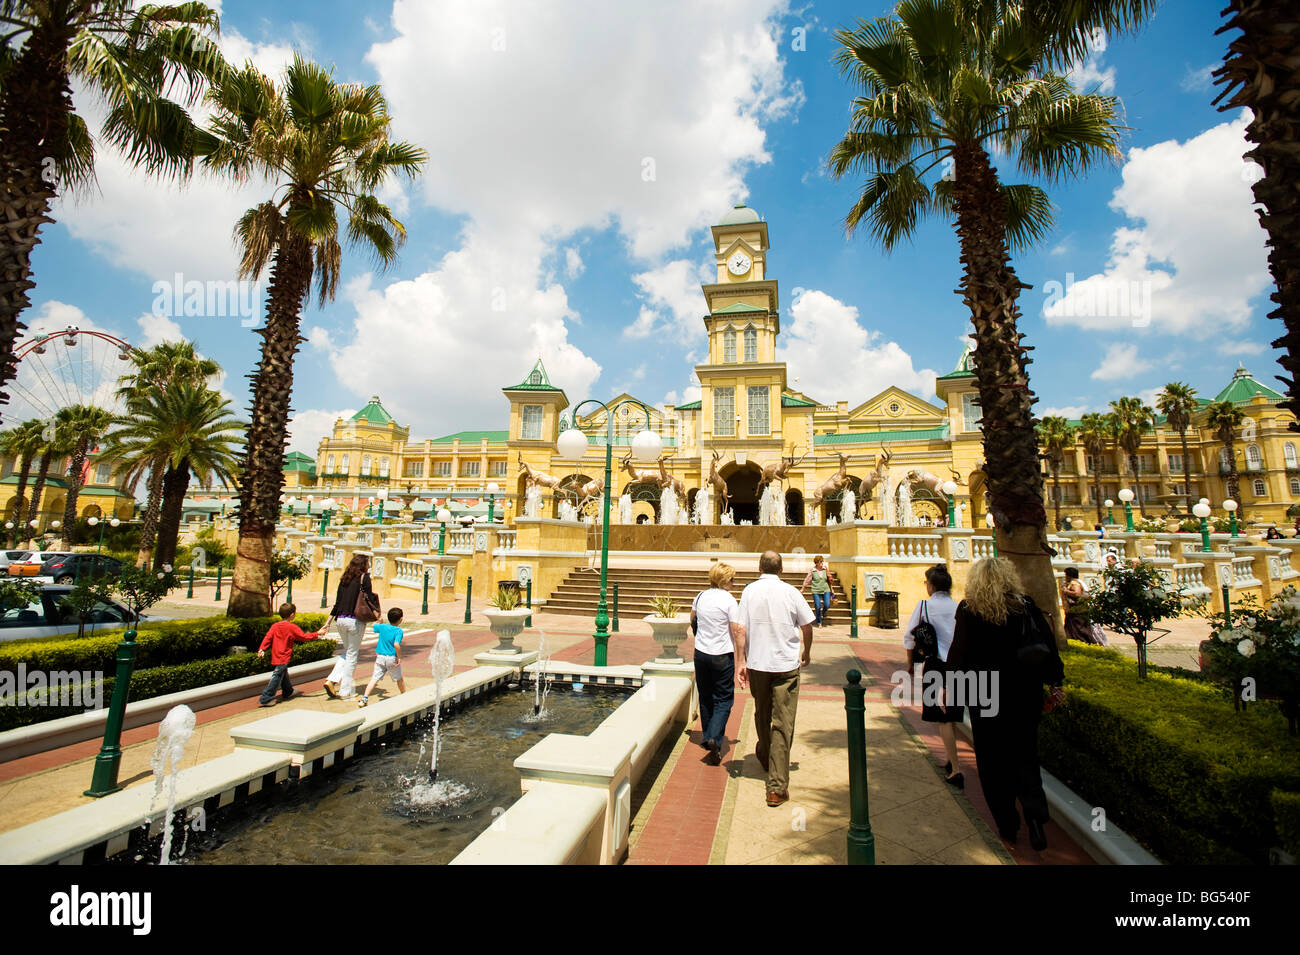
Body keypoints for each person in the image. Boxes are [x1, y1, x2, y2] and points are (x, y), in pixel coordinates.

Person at [947, 558, 1065, 851]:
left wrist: (952, 687)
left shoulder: (970, 608)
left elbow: (959, 652)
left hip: (984, 694)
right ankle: (1035, 819)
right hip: (1024, 692)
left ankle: (1007, 824)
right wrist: (1056, 681)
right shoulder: (1025, 605)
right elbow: (1046, 645)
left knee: (991, 760)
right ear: (1008, 577)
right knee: (1026, 755)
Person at [735, 550, 815, 807]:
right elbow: (807, 625)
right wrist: (807, 650)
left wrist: (740, 661)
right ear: (781, 570)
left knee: (762, 712)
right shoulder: (791, 592)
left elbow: (740, 629)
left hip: (758, 663)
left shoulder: (749, 592)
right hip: (785, 664)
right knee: (782, 721)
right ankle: (777, 786)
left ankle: (768, 758)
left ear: (759, 567)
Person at [902, 564, 963, 787]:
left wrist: (910, 663)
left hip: (936, 665)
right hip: (957, 666)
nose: (925, 586)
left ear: (932, 585)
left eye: (926, 582)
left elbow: (910, 637)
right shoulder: (958, 607)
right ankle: (950, 757)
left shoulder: (924, 606)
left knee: (942, 717)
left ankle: (956, 769)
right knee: (952, 715)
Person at [690, 562, 739, 764]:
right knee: (724, 698)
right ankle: (713, 737)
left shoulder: (700, 596)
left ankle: (710, 736)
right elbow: (736, 629)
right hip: (721, 655)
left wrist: (700, 636)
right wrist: (743, 655)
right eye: (732, 579)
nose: (734, 583)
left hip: (701, 653)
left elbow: (692, 619)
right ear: (725, 580)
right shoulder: (729, 600)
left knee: (706, 695)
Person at [320, 554, 378, 699]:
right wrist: (377, 613)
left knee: (348, 652)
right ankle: (345, 691)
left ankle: (332, 680)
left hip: (340, 620)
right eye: (367, 563)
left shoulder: (344, 579)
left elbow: (337, 603)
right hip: (354, 621)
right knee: (352, 656)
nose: (369, 565)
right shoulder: (364, 578)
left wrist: (327, 623)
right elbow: (369, 598)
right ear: (363, 565)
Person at [256, 603, 318, 706]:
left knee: (283, 673)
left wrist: (262, 648)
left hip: (276, 655)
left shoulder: (275, 626)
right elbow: (303, 637)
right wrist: (317, 634)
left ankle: (288, 691)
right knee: (277, 675)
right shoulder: (291, 627)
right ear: (292, 615)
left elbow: (268, 637)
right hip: (283, 656)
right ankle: (266, 698)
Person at [358, 607, 408, 707]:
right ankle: (404, 695)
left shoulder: (383, 627)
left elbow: (374, 626)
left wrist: (379, 621)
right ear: (401, 619)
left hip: (380, 657)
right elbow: (396, 644)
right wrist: (399, 657)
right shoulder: (398, 631)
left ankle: (364, 698)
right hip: (391, 659)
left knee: (374, 678)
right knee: (399, 679)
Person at [1059, 567, 1101, 645]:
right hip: (1075, 611)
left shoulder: (1074, 583)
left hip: (1077, 611)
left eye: (1066, 575)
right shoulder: (1077, 582)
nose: (1065, 577)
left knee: (1080, 629)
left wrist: (1066, 591)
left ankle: (1084, 643)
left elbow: (1077, 593)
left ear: (1069, 575)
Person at [800, 555, 835, 627]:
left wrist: (832, 589)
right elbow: (807, 580)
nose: (822, 563)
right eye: (820, 562)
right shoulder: (813, 570)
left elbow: (829, 580)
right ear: (816, 563)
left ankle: (823, 613)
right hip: (816, 590)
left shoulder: (825, 569)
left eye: (822, 561)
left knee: (827, 604)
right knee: (818, 606)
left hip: (825, 589)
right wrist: (803, 588)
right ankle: (819, 621)